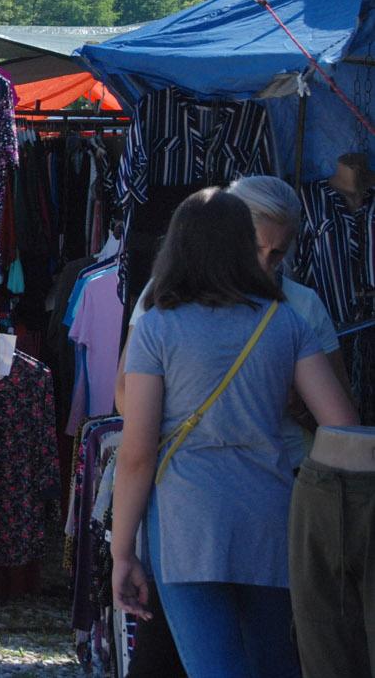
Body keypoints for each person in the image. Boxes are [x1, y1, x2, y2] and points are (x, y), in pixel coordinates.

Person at [111, 188, 356, 678]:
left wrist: (122, 554)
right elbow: (344, 427)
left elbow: (137, 455)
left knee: (213, 666)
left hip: (186, 522)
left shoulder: (158, 326)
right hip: (271, 517)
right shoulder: (284, 319)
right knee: (273, 665)